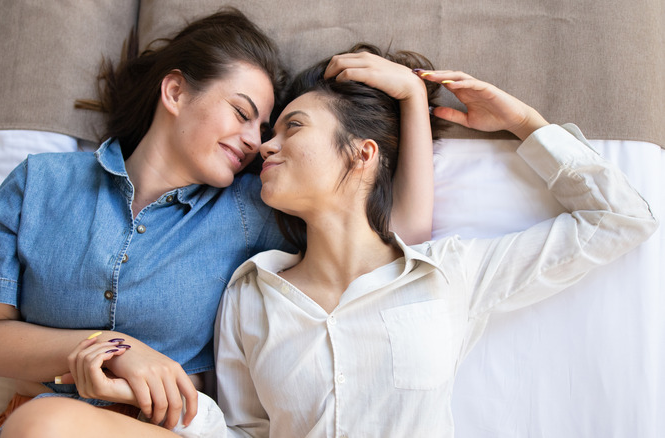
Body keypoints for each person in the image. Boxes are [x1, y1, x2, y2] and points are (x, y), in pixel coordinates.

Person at [0, 9, 437, 438]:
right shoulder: (41, 183)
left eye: (264, 130)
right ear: (176, 90)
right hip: (35, 425)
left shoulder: (254, 210)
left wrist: (413, 97)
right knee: (43, 426)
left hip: (169, 431)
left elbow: (395, 237)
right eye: (242, 114)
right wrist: (116, 350)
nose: (255, 141)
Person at [206, 63, 658, 436]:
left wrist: (521, 122)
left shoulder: (448, 276)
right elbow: (244, 430)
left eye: (294, 127)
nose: (265, 146)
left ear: (362, 154)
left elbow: (621, 218)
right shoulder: (250, 295)